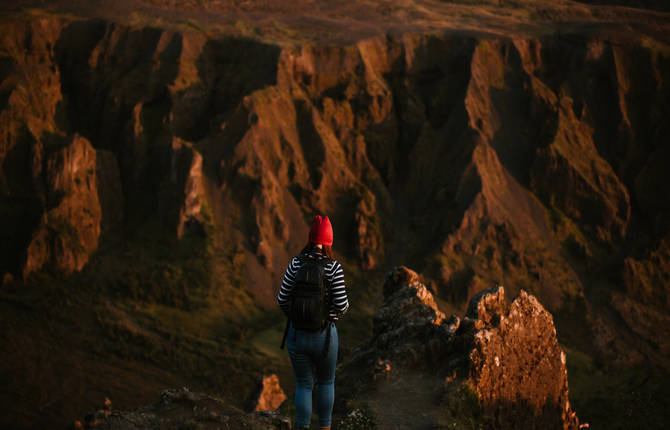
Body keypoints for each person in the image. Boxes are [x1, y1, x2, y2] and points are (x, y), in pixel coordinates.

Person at [277, 215, 349, 430]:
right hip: (325, 337)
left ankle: (302, 426)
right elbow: (343, 305)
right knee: (326, 382)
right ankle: (325, 427)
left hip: (297, 335)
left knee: (303, 384)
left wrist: (298, 317)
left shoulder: (296, 263)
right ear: (329, 241)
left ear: (310, 238)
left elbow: (282, 299)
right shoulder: (333, 267)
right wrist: (328, 316)